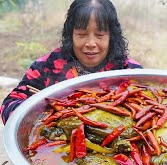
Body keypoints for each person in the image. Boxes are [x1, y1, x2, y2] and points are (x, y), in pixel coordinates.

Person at [0, 0, 142, 124]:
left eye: (100, 35)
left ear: (112, 36)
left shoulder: (130, 71)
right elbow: (8, 107)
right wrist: (40, 109)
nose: (91, 43)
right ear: (70, 34)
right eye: (81, 35)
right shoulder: (46, 67)